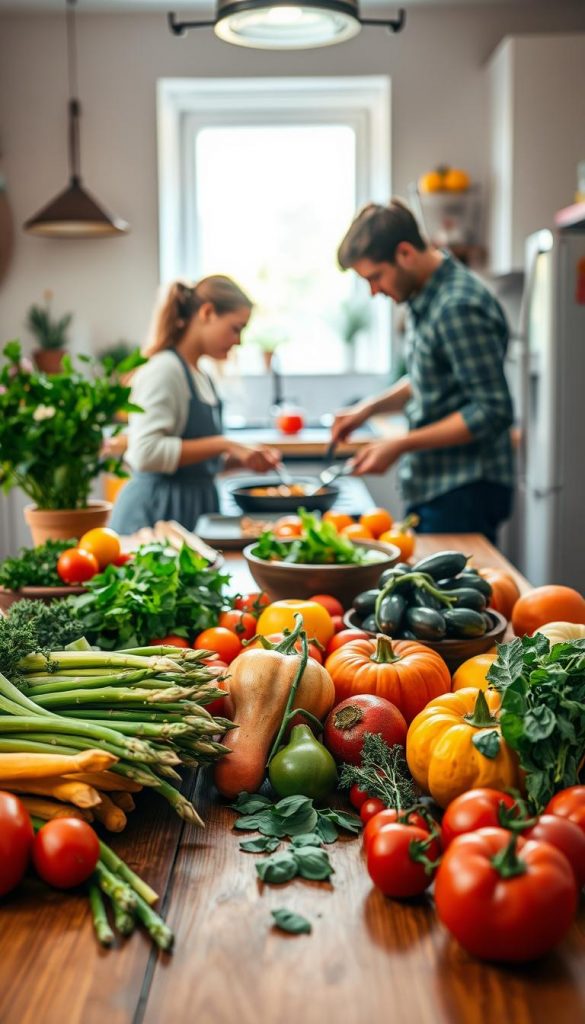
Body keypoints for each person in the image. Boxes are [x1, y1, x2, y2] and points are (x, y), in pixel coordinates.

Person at [331, 199, 515, 545]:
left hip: (464, 488)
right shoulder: (425, 296)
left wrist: (399, 444)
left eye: (375, 277)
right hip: (439, 483)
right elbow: (428, 376)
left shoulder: (456, 305)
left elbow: (493, 410)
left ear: (404, 253)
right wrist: (368, 409)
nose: (373, 291)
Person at [109, 275, 281, 534]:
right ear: (207, 312)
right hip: (155, 517)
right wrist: (227, 444)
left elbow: (194, 464)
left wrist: (241, 461)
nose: (239, 341)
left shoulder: (201, 376)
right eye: (236, 328)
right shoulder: (165, 370)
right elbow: (146, 453)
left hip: (190, 511)